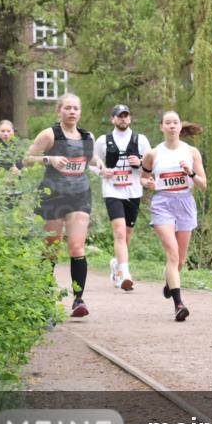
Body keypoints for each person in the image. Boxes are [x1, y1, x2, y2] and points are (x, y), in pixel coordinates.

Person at [23, 93, 100, 317]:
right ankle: (45, 297)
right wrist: (49, 159)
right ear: (59, 111)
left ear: (80, 112)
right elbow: (27, 158)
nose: (72, 112)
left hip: (79, 195)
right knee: (51, 249)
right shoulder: (49, 134)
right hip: (53, 195)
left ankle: (78, 300)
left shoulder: (87, 136)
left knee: (76, 247)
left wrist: (103, 167)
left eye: (76, 108)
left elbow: (91, 159)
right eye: (67, 108)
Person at [140, 111, 206, 322]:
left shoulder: (191, 152)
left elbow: (203, 185)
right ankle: (179, 305)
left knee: (180, 261)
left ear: (180, 126)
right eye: (167, 123)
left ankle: (170, 282)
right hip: (163, 204)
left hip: (185, 202)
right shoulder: (152, 153)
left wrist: (191, 173)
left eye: (175, 122)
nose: (171, 126)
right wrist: (148, 184)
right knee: (173, 254)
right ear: (161, 127)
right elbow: (144, 177)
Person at [92, 104, 152, 291]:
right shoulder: (103, 140)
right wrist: (102, 172)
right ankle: (125, 274)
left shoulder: (140, 140)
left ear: (130, 119)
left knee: (126, 236)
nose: (123, 119)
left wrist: (141, 162)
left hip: (133, 192)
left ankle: (116, 264)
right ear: (113, 119)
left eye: (126, 116)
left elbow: (151, 164)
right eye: (119, 116)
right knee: (118, 232)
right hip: (112, 191)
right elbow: (92, 162)